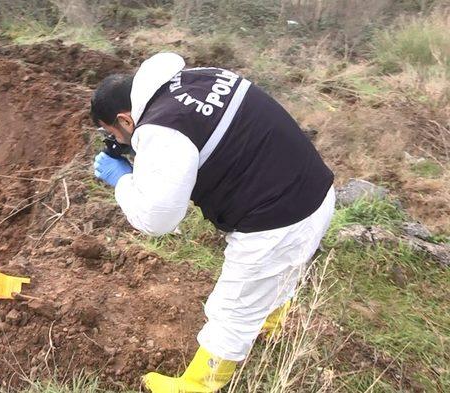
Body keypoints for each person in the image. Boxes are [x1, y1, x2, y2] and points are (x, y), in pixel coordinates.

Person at [90, 53, 335, 393]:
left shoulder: (160, 132)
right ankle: (272, 321)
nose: (117, 141)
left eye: (113, 133)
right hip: (313, 191)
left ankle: (198, 385)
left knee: (233, 305)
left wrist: (122, 180)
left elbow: (158, 217)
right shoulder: (198, 78)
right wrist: (143, 156)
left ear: (125, 119)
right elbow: (201, 136)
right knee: (278, 273)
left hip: (279, 219)